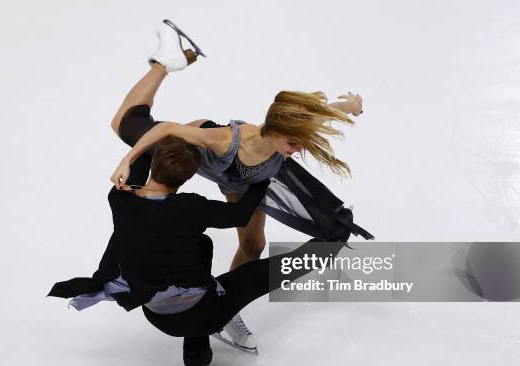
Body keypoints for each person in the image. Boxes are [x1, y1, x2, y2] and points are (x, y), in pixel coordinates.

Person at [109, 19, 373, 349]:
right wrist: (127, 161)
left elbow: (323, 111)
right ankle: (165, 62)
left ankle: (226, 308)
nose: (298, 150)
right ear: (273, 132)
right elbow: (167, 130)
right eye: (292, 144)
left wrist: (351, 106)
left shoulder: (288, 132)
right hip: (201, 157)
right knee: (126, 124)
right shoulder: (222, 139)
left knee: (253, 245)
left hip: (243, 182)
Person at [48, 135, 345, 366]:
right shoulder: (189, 207)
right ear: (190, 177)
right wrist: (260, 177)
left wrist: (132, 157)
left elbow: (139, 156)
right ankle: (334, 240)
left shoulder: (121, 198)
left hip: (157, 315)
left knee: (198, 247)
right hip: (204, 311)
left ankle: (195, 353)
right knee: (263, 273)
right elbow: (241, 215)